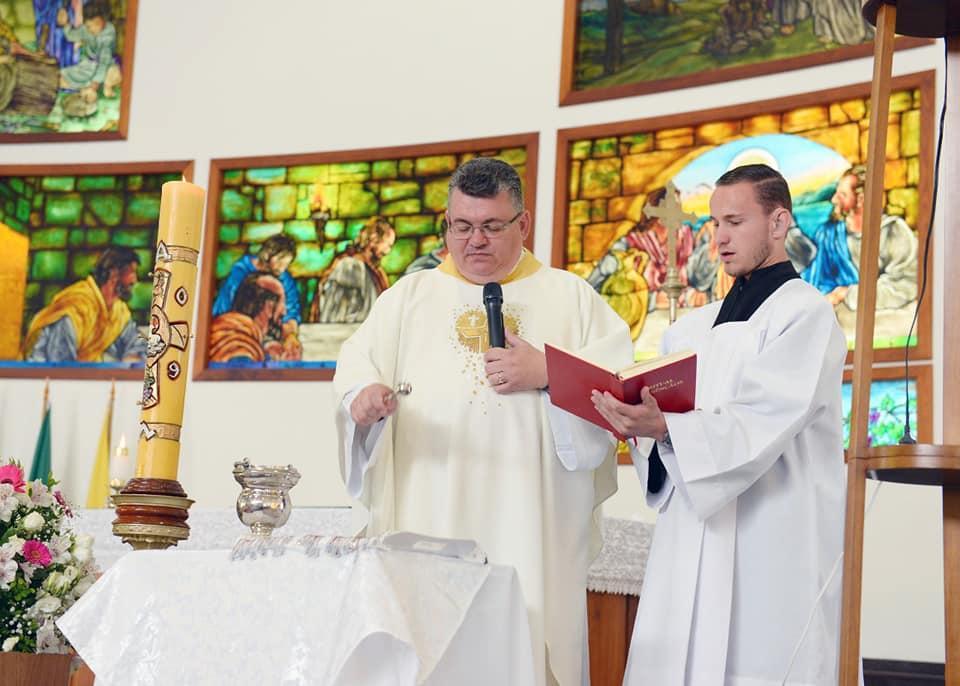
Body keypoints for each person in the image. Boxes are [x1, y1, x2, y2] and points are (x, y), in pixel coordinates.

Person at [333, 158, 632, 686]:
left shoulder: (571, 298)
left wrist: (548, 371)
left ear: (524, 223)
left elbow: (619, 395)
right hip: (431, 513)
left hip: (532, 520)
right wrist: (364, 405)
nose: (475, 241)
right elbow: (356, 375)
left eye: (492, 226)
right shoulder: (406, 299)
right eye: (461, 226)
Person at [593, 164, 847, 684]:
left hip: (771, 535)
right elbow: (671, 426)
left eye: (735, 221)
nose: (720, 238)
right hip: (689, 532)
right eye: (714, 223)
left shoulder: (804, 314)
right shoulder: (693, 328)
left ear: (779, 224)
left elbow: (761, 419)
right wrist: (638, 426)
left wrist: (667, 430)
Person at [809, 165, 918, 310]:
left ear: (861, 199)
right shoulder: (829, 235)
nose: (834, 200)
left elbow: (904, 286)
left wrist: (847, 294)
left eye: (842, 195)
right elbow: (819, 282)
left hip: (884, 319)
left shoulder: (893, 232)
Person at [23, 247, 145, 363]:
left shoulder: (118, 312)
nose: (134, 281)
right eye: (131, 272)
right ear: (114, 273)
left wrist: (133, 358)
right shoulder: (77, 307)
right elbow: (59, 363)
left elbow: (135, 345)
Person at [213, 234, 303, 359]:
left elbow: (291, 311)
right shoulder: (240, 272)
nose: (282, 269)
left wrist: (290, 336)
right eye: (280, 262)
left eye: (286, 265)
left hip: (268, 338)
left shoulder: (284, 278)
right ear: (267, 255)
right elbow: (224, 308)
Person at [314, 216, 396, 323]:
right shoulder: (350, 266)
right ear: (374, 239)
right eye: (387, 245)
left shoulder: (374, 271)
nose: (387, 251)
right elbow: (340, 313)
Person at [208, 273, 287, 364]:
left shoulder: (226, 327)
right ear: (268, 305)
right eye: (283, 302)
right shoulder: (240, 349)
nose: (284, 312)